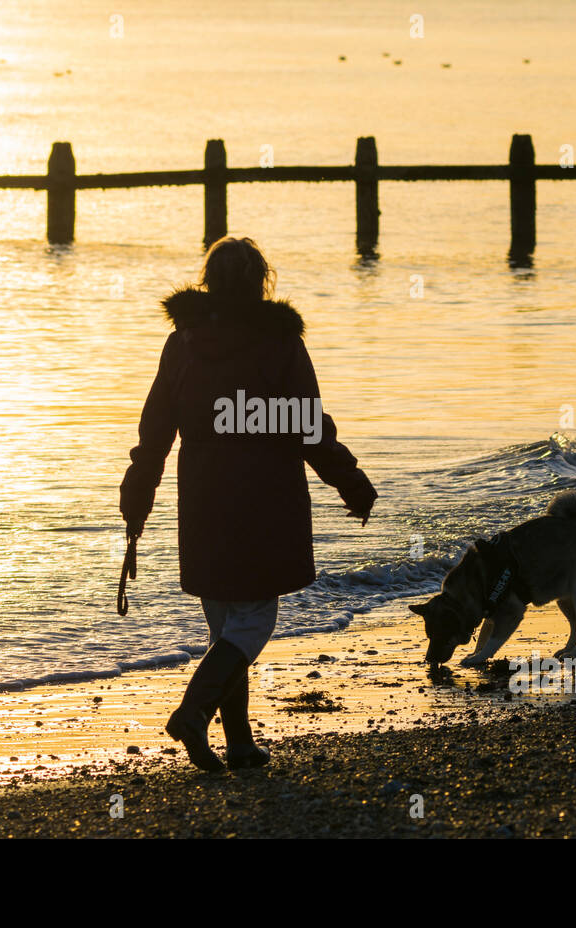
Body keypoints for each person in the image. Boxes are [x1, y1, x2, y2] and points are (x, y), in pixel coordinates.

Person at [120, 236, 377, 771]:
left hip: (203, 496)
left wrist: (138, 494)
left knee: (225, 625)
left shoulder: (183, 341)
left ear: (209, 281)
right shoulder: (278, 342)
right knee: (253, 620)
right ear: (261, 281)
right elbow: (308, 426)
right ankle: (193, 714)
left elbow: (156, 429)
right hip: (263, 496)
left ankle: (238, 741)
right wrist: (349, 481)